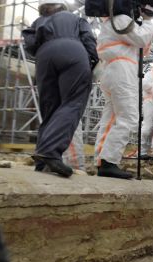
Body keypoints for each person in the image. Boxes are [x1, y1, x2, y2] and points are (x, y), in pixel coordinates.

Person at [22, 0, 97, 177]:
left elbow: (30, 45)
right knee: (73, 102)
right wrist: (92, 61)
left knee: (50, 108)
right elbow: (89, 40)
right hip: (72, 50)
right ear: (62, 7)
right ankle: (51, 152)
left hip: (44, 56)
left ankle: (42, 160)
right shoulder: (75, 18)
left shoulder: (38, 22)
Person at [93, 6, 153, 179]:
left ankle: (102, 160)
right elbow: (142, 39)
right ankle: (109, 161)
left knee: (110, 118)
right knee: (128, 117)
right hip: (122, 71)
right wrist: (149, 21)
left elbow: (143, 48)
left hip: (112, 70)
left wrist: (142, 24)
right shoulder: (121, 19)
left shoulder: (110, 22)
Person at [140, 63, 153, 159]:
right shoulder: (150, 74)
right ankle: (143, 151)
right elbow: (145, 85)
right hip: (150, 102)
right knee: (148, 126)